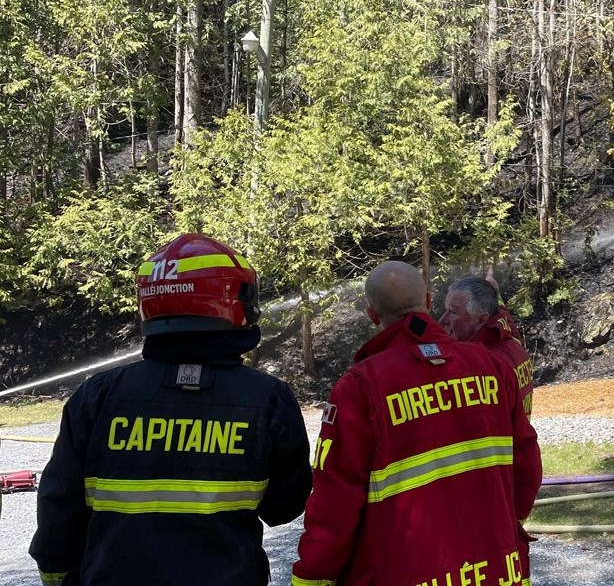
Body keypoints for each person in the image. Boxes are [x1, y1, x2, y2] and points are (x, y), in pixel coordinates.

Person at [30, 233, 312, 586]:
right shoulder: (268, 398)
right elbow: (284, 507)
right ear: (235, 300)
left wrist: (56, 573)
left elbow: (59, 501)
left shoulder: (97, 395)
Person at [291, 261, 541, 586]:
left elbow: (334, 504)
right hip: (498, 569)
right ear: (428, 299)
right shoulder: (491, 365)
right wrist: (506, 522)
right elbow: (526, 465)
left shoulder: (359, 388)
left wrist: (311, 577)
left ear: (372, 315)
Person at [440, 274, 535, 417]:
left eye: (453, 312)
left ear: (482, 318)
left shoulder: (483, 366)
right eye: (445, 310)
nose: (443, 319)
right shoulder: (511, 340)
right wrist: (496, 294)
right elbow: (503, 316)